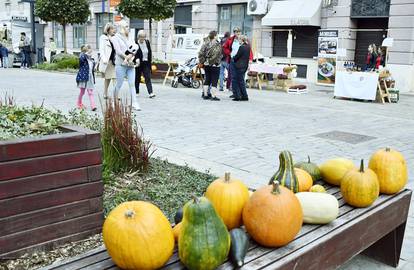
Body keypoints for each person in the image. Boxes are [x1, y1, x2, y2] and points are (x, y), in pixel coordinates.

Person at [111, 20, 141, 111]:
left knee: (132, 84)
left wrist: (131, 57)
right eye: (126, 26)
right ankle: (113, 100)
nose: (128, 28)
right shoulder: (115, 38)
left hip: (130, 64)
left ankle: (135, 102)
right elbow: (118, 51)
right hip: (121, 64)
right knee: (119, 84)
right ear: (121, 28)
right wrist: (126, 57)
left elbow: (134, 48)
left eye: (128, 26)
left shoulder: (130, 37)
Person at [223, 27, 253, 98]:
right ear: (234, 33)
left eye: (239, 32)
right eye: (236, 32)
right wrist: (229, 53)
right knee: (233, 77)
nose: (238, 33)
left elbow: (249, 50)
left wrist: (250, 59)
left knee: (240, 78)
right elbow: (224, 47)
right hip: (233, 60)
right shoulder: (230, 39)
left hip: (241, 61)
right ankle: (235, 92)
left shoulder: (244, 39)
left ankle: (240, 93)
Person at [198, 30, 222, 101]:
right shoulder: (217, 44)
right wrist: (213, 61)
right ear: (214, 36)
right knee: (214, 80)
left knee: (207, 79)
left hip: (206, 64)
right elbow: (217, 55)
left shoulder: (205, 43)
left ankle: (205, 95)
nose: (217, 36)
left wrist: (203, 61)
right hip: (215, 65)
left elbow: (200, 53)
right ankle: (213, 96)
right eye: (217, 35)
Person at [134, 30, 155, 98]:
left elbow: (149, 51)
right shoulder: (135, 43)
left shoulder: (147, 42)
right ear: (138, 37)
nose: (142, 38)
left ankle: (150, 92)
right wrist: (136, 59)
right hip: (139, 63)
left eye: (144, 37)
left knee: (147, 77)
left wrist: (150, 60)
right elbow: (134, 53)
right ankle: (136, 92)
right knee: (137, 78)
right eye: (141, 37)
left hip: (146, 63)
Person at [75, 44, 97, 111]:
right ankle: (79, 103)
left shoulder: (91, 59)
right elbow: (81, 59)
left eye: (90, 49)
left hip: (90, 77)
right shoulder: (82, 56)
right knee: (82, 92)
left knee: (90, 92)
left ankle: (93, 106)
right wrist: (86, 54)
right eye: (89, 49)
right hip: (83, 77)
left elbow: (92, 68)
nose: (90, 50)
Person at [98, 23, 117, 98]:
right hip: (108, 61)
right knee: (108, 79)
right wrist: (104, 59)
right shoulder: (103, 37)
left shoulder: (114, 38)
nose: (114, 30)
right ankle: (105, 93)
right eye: (112, 29)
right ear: (108, 30)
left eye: (114, 29)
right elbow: (101, 50)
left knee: (115, 78)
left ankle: (116, 94)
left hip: (114, 61)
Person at [232, 35, 251, 101]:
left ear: (242, 40)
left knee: (239, 81)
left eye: (239, 40)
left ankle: (242, 96)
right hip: (245, 66)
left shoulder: (241, 47)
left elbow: (237, 56)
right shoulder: (248, 47)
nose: (238, 41)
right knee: (241, 81)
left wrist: (233, 58)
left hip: (239, 66)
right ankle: (244, 96)